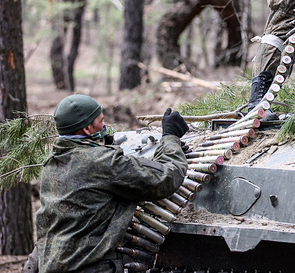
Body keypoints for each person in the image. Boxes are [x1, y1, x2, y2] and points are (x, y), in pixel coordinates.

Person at [32, 94, 189, 273]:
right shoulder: (101, 162)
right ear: (87, 129)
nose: (104, 126)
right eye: (101, 121)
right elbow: (165, 179)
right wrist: (170, 138)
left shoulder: (54, 162)